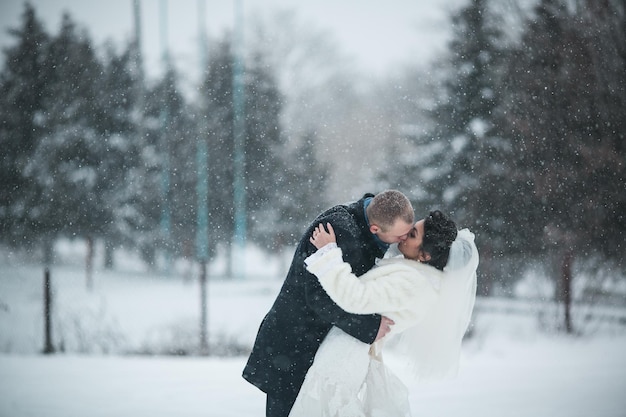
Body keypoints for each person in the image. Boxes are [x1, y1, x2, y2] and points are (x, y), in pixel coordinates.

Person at [288, 210, 479, 417]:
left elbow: (355, 297)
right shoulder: (416, 276)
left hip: (342, 357)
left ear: (425, 255)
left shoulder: (413, 284)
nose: (405, 235)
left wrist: (328, 253)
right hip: (345, 350)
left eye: (413, 234)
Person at [243, 190, 416, 417]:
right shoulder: (340, 231)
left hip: (308, 347)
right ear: (375, 229)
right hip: (293, 348)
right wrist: (370, 327)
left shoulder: (367, 222)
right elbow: (317, 297)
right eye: (400, 236)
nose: (404, 239)